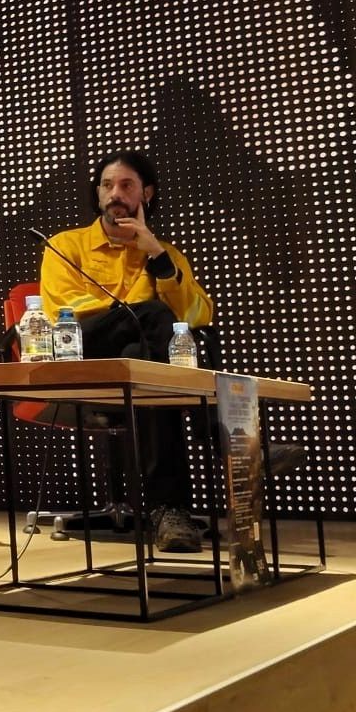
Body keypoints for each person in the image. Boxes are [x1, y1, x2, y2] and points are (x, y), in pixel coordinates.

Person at [40, 151, 217, 552]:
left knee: (149, 366)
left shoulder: (164, 253)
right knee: (154, 319)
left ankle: (167, 511)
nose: (114, 194)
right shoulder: (65, 245)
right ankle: (216, 433)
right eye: (107, 185)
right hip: (82, 350)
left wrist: (157, 257)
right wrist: (138, 311)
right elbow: (66, 309)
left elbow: (197, 315)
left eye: (126, 186)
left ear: (147, 194)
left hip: (137, 360)